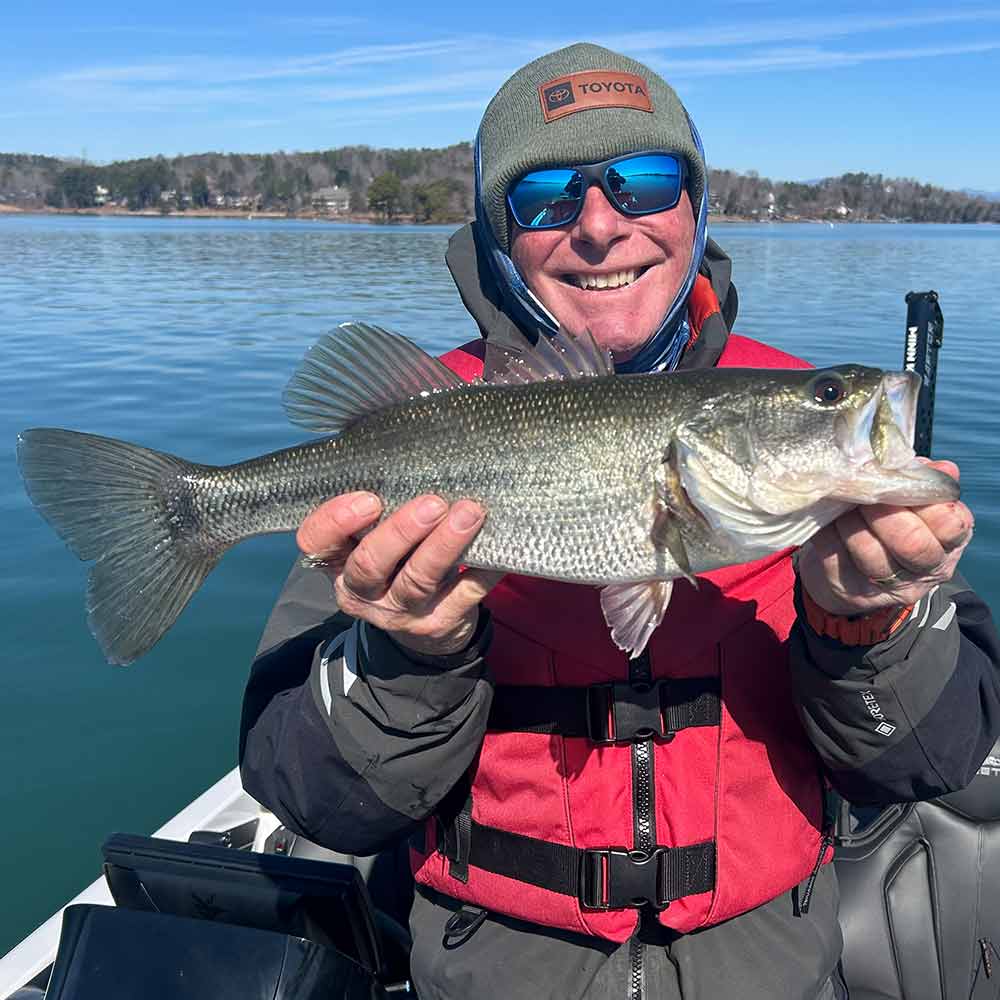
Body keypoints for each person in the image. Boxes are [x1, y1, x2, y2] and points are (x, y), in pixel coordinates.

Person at [240, 43, 1000, 1000]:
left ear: (695, 207)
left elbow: (934, 759)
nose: (601, 225)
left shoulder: (826, 479)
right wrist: (407, 657)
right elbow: (311, 797)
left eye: (644, 182)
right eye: (547, 196)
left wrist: (874, 625)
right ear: (497, 235)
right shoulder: (426, 424)